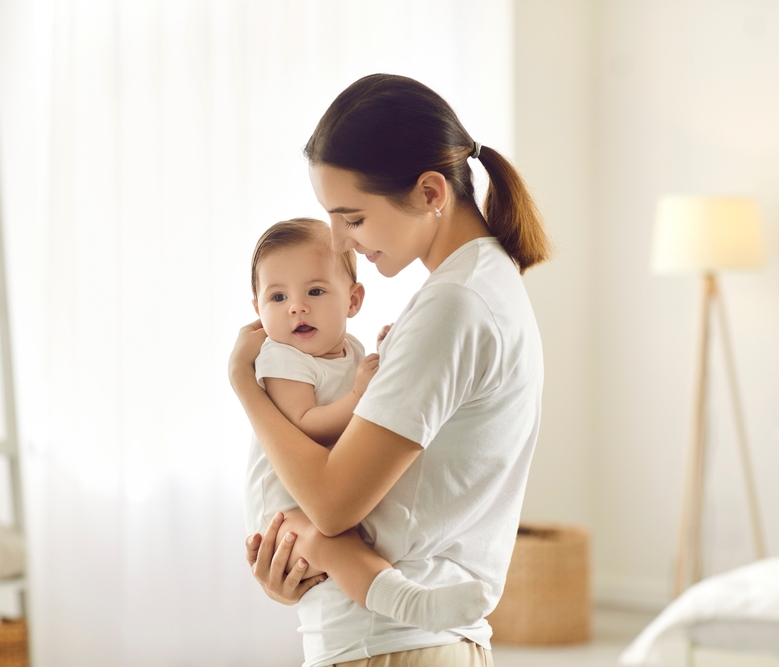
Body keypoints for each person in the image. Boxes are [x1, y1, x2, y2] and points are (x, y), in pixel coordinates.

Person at [229, 73, 550, 667]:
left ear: (431, 192)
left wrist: (245, 388)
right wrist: (292, 569)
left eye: (351, 218)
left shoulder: (456, 304)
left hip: (392, 645)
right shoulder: (477, 286)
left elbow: (331, 505)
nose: (339, 240)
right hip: (395, 639)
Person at [245, 217, 487, 634]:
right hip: (284, 509)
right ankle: (410, 604)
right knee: (333, 547)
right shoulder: (281, 358)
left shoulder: (349, 350)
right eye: (278, 296)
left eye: (315, 291)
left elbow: (372, 409)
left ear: (353, 300)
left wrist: (389, 351)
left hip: (317, 491)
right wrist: (359, 396)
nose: (296, 307)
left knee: (348, 543)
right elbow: (308, 424)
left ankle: (415, 599)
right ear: (258, 311)